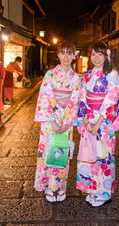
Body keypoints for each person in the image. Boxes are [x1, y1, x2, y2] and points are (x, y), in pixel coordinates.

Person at [76, 41, 119, 207]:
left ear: (106, 56)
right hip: (89, 119)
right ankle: (92, 190)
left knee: (103, 156)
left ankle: (103, 194)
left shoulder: (112, 75)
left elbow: (112, 100)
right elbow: (82, 98)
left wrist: (98, 123)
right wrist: (84, 120)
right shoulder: (87, 75)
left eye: (100, 54)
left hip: (103, 122)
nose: (96, 58)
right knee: (90, 156)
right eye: (93, 54)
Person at [34, 41, 81, 202]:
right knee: (49, 152)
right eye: (63, 53)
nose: (66, 56)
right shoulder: (50, 75)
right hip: (50, 122)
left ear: (74, 55)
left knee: (62, 155)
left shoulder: (76, 77)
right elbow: (45, 97)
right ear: (58, 54)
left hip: (66, 122)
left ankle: (60, 187)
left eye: (70, 53)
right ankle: (49, 187)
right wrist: (54, 121)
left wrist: (67, 122)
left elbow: (75, 101)